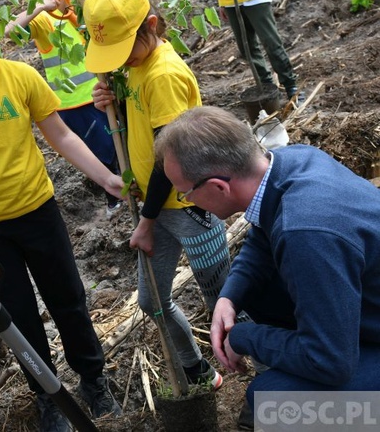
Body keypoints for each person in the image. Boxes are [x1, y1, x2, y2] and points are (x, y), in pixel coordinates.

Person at [0, 0, 124, 432]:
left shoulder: (19, 77)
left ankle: (93, 379)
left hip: (37, 211)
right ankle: (48, 397)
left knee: (68, 299)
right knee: (18, 318)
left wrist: (107, 178)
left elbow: (62, 136)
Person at [154, 105, 380, 428]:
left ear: (218, 187)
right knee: (257, 292)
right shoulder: (293, 162)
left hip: (347, 346)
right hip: (367, 309)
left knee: (269, 403)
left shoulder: (304, 233)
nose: (187, 202)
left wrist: (247, 338)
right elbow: (261, 236)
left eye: (186, 195)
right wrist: (228, 297)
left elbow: (332, 361)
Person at [84, 0, 230, 390]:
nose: (119, 58)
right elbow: (142, 133)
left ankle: (261, 373)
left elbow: (173, 159)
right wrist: (113, 106)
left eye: (124, 47)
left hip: (188, 205)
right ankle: (198, 370)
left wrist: (145, 222)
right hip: (156, 204)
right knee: (152, 301)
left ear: (150, 25)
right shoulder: (134, 69)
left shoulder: (162, 74)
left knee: (221, 299)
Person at [4, 0, 121, 216]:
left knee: (121, 143)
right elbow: (10, 30)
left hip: (105, 94)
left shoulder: (88, 18)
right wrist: (40, 6)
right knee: (103, 152)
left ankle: (125, 194)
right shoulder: (46, 23)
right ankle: (115, 202)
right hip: (75, 105)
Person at [201, 0, 303, 103]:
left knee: (271, 41)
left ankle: (290, 84)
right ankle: (267, 86)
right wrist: (221, 1)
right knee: (246, 46)